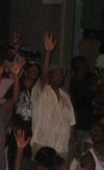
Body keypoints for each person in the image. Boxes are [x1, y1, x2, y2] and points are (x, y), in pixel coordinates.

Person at [31, 32, 76, 160]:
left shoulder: (65, 97)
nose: (59, 77)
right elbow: (43, 75)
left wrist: (74, 144)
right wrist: (48, 52)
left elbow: (72, 123)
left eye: (61, 74)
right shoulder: (42, 91)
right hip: (42, 146)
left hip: (61, 149)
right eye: (56, 74)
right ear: (49, 76)